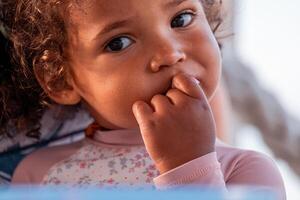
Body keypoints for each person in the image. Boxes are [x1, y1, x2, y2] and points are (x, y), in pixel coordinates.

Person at [4, 0, 285, 198]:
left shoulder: (245, 171)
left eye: (182, 19)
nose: (169, 53)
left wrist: (190, 169)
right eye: (119, 42)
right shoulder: (38, 175)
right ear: (60, 79)